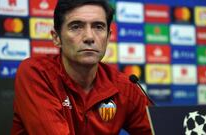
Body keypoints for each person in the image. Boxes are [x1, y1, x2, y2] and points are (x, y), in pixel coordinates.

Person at [11, 0, 152, 134]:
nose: (89, 37)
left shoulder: (124, 87)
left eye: (98, 27)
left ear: (108, 38)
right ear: (56, 37)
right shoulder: (37, 73)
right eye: (76, 27)